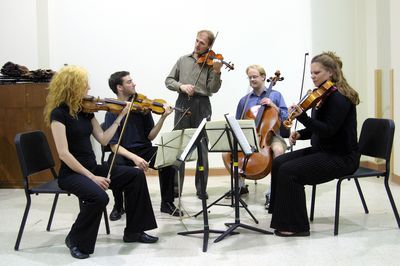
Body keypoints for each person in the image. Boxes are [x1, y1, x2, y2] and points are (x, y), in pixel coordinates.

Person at [44, 66, 158, 260]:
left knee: (135, 175)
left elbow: (104, 140)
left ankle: (134, 232)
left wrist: (120, 117)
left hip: (92, 168)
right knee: (99, 197)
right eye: (84, 84)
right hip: (72, 174)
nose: (88, 87)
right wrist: (92, 177)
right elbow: (64, 154)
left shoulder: (86, 111)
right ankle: (75, 239)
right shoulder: (58, 114)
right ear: (72, 86)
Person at [268, 51, 360, 237]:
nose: (312, 76)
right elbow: (317, 129)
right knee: (279, 163)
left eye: (316, 73)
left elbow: (328, 130)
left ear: (331, 73)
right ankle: (281, 214)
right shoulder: (323, 96)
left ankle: (296, 226)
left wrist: (302, 117)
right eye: (311, 73)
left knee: (289, 171)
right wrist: (299, 134)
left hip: (341, 157)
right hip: (324, 151)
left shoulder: (339, 98)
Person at [104, 71, 181, 219]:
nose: (134, 84)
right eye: (129, 82)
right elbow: (114, 146)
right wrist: (134, 158)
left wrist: (163, 118)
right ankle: (119, 206)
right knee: (113, 164)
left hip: (144, 149)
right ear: (119, 87)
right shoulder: (112, 111)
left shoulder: (143, 107)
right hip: (123, 152)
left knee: (167, 160)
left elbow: (150, 136)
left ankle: (167, 203)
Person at [165, 30, 223, 199]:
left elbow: (213, 89)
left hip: (202, 105)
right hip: (183, 102)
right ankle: (176, 189)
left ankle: (201, 189)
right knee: (179, 145)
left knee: (202, 147)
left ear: (210, 46)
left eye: (202, 43)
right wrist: (181, 86)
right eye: (197, 41)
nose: (197, 45)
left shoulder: (213, 63)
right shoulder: (183, 60)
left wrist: (217, 72)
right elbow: (169, 80)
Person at [235, 65, 288, 208]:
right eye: (250, 77)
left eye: (255, 76)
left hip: (272, 135)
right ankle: (240, 185)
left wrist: (273, 105)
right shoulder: (244, 100)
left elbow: (286, 117)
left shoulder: (275, 95)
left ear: (263, 77)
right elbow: (237, 122)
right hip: (251, 136)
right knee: (231, 149)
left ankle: (273, 191)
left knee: (277, 150)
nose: (252, 79)